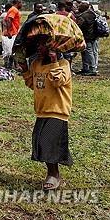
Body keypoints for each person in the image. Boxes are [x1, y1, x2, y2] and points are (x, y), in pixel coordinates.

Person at [19, 36, 73, 190]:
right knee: (41, 143)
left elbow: (57, 82)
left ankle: (53, 175)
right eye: (38, 45)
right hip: (42, 111)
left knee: (47, 143)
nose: (39, 48)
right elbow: (33, 84)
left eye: (42, 46)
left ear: (52, 48)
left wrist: (55, 61)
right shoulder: (36, 64)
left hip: (57, 110)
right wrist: (25, 69)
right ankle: (55, 168)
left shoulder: (63, 65)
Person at [75, 2, 98, 75]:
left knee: (88, 52)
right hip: (93, 36)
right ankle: (87, 68)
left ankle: (91, 69)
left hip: (86, 36)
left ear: (82, 8)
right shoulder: (93, 14)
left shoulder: (83, 16)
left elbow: (78, 26)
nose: (78, 8)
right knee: (89, 52)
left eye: (79, 7)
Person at [2, 0, 22, 69]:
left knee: (12, 50)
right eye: (21, 3)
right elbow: (8, 20)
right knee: (10, 51)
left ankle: (11, 65)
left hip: (13, 32)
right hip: (11, 33)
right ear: (17, 3)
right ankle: (9, 66)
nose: (22, 5)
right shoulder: (14, 10)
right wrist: (10, 32)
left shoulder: (13, 9)